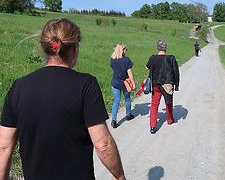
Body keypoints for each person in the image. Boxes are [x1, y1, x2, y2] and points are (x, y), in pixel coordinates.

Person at [0, 19, 126, 180]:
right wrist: (120, 176)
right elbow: (103, 144)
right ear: (74, 49)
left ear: (44, 48)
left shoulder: (18, 87)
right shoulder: (86, 85)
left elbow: (4, 147)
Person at [146, 40, 179, 134]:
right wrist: (176, 85)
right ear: (166, 48)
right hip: (167, 84)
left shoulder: (153, 58)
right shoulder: (171, 58)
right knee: (168, 102)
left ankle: (152, 126)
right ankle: (170, 120)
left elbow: (147, 67)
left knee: (154, 105)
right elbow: (176, 71)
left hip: (156, 84)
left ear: (158, 47)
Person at [110, 43, 136, 128]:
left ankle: (113, 120)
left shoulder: (112, 59)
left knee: (116, 101)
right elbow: (129, 73)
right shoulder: (126, 60)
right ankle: (128, 115)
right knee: (127, 99)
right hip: (125, 83)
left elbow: (114, 70)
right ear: (123, 50)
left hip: (115, 82)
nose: (126, 51)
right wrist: (133, 83)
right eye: (126, 49)